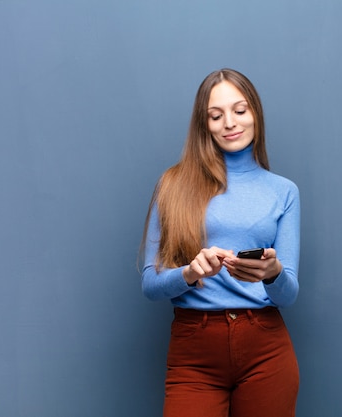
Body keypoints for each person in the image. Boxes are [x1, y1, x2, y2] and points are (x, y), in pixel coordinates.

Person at [140, 68, 301, 417]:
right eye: (216, 115)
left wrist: (272, 273)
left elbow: (288, 295)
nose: (230, 122)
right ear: (204, 124)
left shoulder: (284, 191)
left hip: (266, 348)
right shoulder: (172, 185)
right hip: (194, 351)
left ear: (255, 113)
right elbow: (150, 286)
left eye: (240, 110)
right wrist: (188, 272)